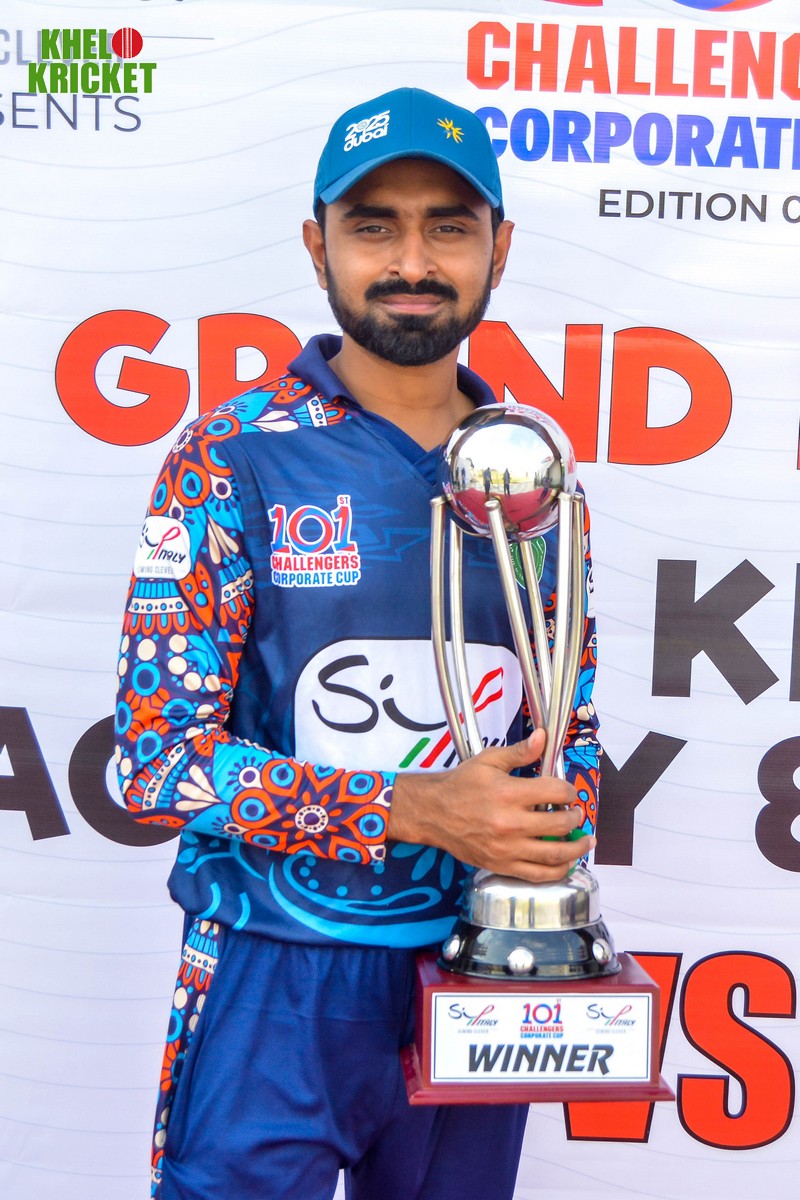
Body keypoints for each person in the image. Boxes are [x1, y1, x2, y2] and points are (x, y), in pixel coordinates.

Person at [115, 86, 600, 1200]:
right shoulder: (232, 454)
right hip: (275, 971)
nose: (411, 261)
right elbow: (153, 760)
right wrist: (407, 809)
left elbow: (564, 733)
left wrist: (544, 853)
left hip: (478, 967)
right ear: (316, 243)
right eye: (374, 225)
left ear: (499, 248)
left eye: (448, 226)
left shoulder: (533, 470)